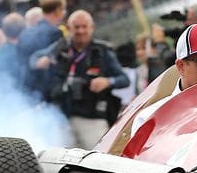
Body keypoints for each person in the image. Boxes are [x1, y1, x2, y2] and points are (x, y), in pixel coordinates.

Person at [32, 10, 130, 149]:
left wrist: (107, 82)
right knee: (59, 161)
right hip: (61, 117)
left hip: (91, 118)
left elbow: (124, 79)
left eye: (84, 26)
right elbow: (34, 59)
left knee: (98, 160)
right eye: (76, 27)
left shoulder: (102, 52)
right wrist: (41, 61)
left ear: (92, 28)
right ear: (69, 28)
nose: (80, 31)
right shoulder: (60, 49)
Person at [18, 0, 68, 100]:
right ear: (58, 10)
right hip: (44, 95)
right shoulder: (55, 33)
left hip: (25, 92)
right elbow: (54, 68)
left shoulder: (24, 33)